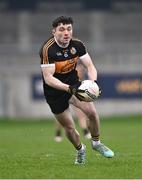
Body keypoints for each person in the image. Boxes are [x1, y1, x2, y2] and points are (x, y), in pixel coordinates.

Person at [39, 16, 114, 164]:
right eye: (61, 29)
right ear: (54, 32)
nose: (66, 33)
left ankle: (96, 143)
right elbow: (48, 78)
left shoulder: (77, 45)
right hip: (54, 91)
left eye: (69, 29)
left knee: (92, 113)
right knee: (69, 127)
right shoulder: (48, 49)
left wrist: (93, 83)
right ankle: (80, 150)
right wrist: (69, 89)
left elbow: (90, 66)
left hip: (74, 84)